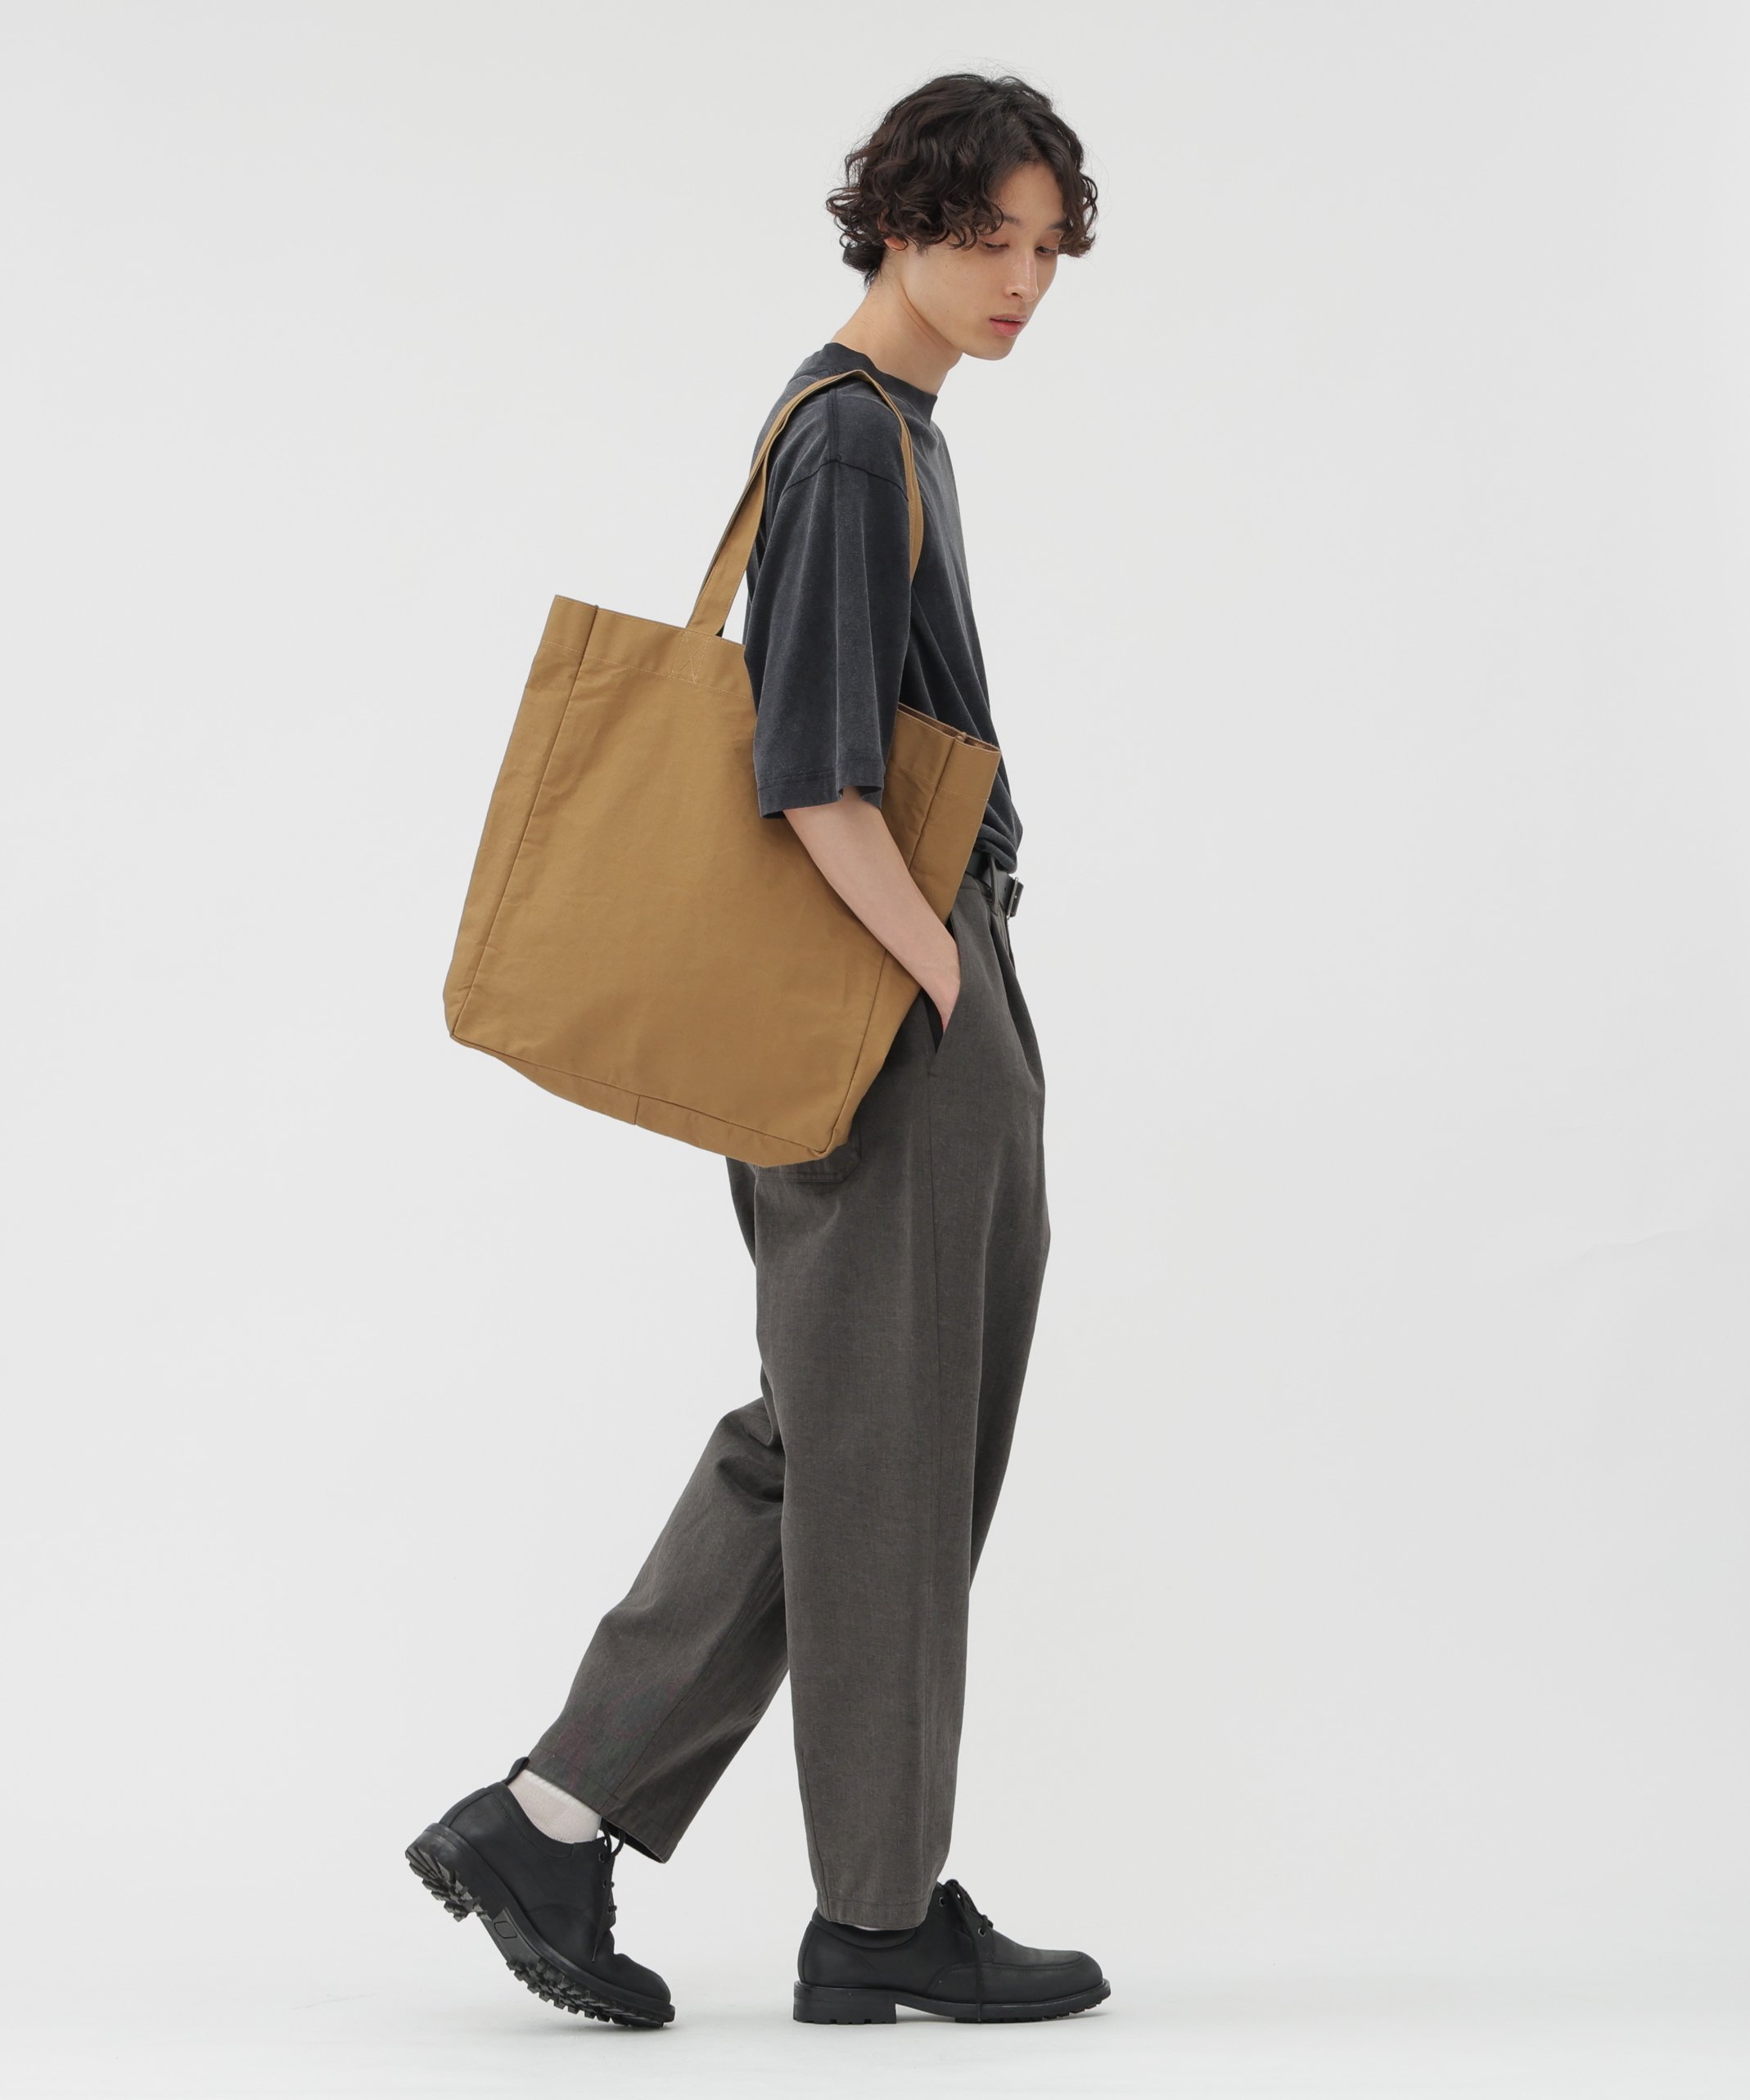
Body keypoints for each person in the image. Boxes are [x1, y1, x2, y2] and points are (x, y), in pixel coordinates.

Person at [407, 70, 1107, 2030]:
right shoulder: (850, 440)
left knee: (849, 1438)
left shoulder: (890, 429)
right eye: (982, 235)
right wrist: (940, 970)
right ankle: (871, 1911)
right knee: (884, 1453)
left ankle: (552, 1820)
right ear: (895, 220)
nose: (1020, 279)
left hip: (899, 981)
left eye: (1046, 246)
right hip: (888, 988)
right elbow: (810, 770)